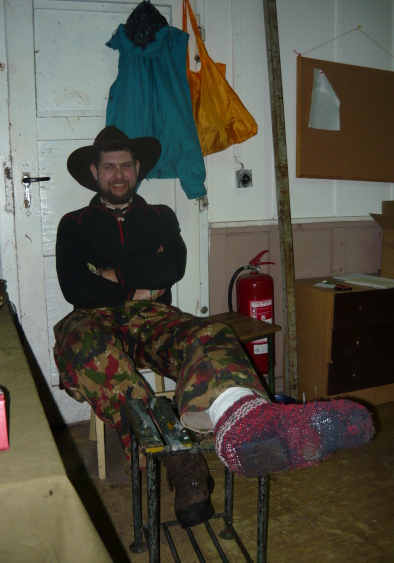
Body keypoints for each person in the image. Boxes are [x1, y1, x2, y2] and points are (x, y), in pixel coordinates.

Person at [54, 126, 374, 529]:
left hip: (154, 318)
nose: (118, 175)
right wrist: (138, 283)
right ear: (94, 172)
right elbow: (75, 288)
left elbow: (172, 267)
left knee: (212, 334)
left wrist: (108, 273)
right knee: (86, 348)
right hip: (93, 319)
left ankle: (243, 420)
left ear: (137, 169)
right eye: (109, 167)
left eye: (125, 166)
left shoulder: (160, 215)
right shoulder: (73, 223)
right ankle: (182, 464)